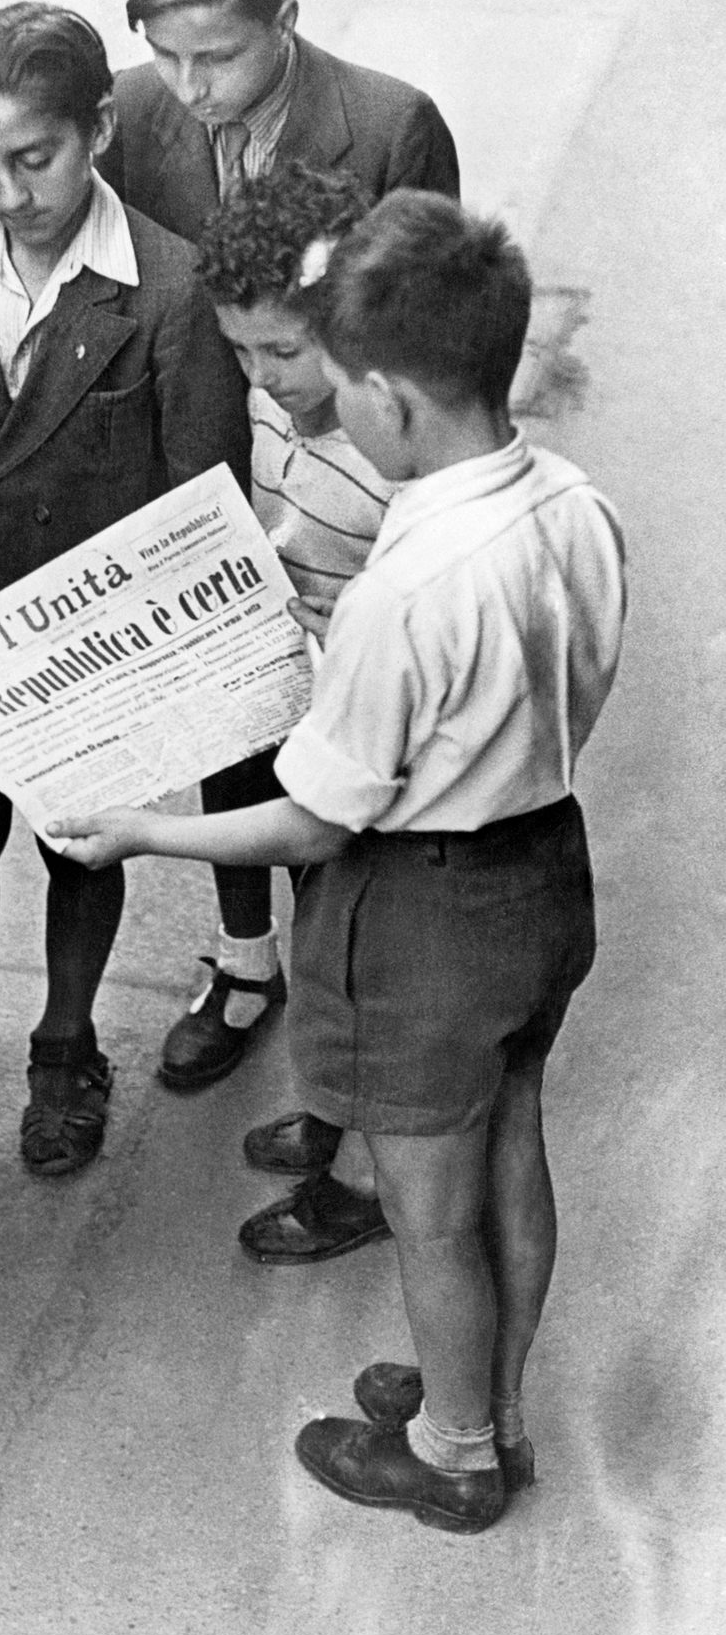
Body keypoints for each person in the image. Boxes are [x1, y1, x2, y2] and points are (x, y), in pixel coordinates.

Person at [54, 192, 625, 1532]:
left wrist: (140, 827)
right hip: (545, 863)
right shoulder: (575, 502)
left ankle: (452, 1452)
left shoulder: (403, 587)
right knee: (509, 1154)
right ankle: (494, 1398)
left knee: (426, 1211)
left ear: (387, 394)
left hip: (426, 910)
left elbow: (312, 824)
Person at [98, 0, 460, 1156]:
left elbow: (432, 325)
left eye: (222, 54)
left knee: (347, 764)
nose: (190, 87)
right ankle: (245, 958)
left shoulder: (392, 126)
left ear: (289, 19)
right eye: (164, 50)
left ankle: (341, 1009)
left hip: (341, 478)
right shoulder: (131, 112)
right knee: (233, 718)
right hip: (210, 456)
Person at [0, 1, 247, 1179]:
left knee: (83, 853)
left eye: (33, 161)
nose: (6, 195)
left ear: (98, 125)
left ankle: (65, 1043)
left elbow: (203, 501)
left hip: (95, 647)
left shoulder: (170, 289)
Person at [192, 160, 398, 1264]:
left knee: (360, 957)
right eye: (240, 351)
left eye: (283, 352)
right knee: (321, 948)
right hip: (284, 698)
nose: (262, 381)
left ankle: (358, 1178)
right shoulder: (279, 415)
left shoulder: (396, 447)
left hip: (367, 744)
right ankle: (331, 1110)